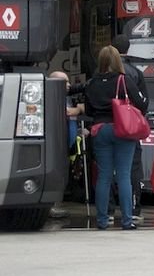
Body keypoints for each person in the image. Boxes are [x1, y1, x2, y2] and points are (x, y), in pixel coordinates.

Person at [83, 45, 147, 230]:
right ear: (118, 61)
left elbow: (88, 111)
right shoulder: (123, 80)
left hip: (100, 130)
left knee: (104, 175)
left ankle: (102, 221)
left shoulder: (92, 83)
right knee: (124, 175)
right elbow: (142, 104)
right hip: (123, 129)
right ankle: (127, 220)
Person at [113, 33, 149, 222]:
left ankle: (108, 210)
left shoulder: (102, 73)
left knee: (107, 169)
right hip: (128, 127)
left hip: (106, 125)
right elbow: (144, 102)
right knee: (132, 168)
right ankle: (133, 209)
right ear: (128, 49)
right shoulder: (134, 72)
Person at [47, 70, 83, 219]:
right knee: (55, 174)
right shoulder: (51, 98)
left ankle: (57, 204)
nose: (69, 85)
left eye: (68, 81)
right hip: (55, 143)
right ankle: (51, 206)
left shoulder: (68, 98)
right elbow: (67, 113)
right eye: (65, 82)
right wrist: (79, 109)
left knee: (64, 174)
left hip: (69, 141)